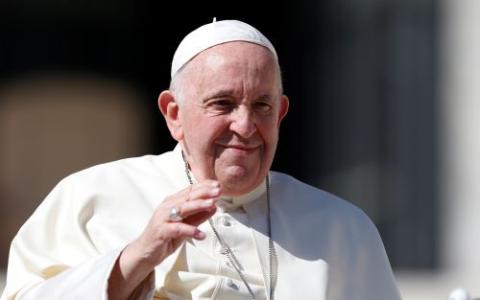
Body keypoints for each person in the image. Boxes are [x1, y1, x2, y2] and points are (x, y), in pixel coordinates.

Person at [1, 20, 401, 300]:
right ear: (174, 114)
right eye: (222, 104)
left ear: (280, 114)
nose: (245, 126)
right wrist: (136, 258)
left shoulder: (342, 228)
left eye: (261, 105)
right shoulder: (90, 198)